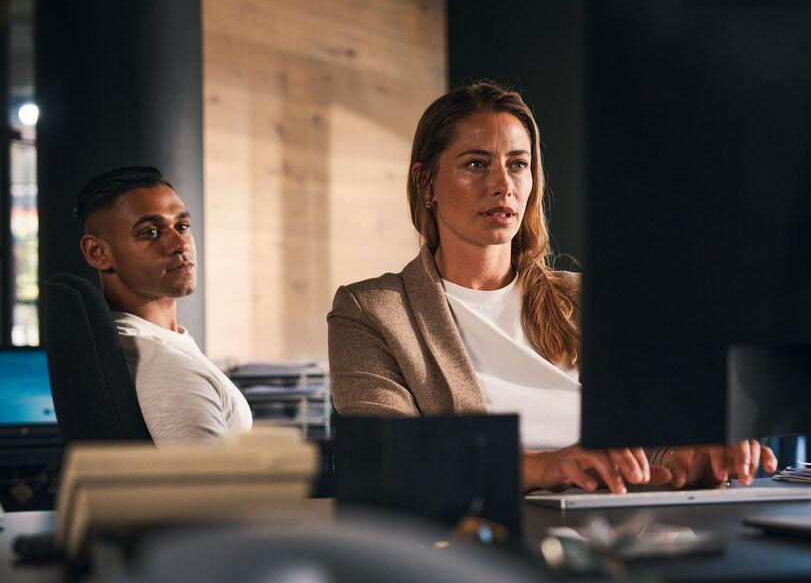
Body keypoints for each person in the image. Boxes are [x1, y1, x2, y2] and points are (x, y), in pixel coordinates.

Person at [328, 81, 777, 493]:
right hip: (482, 542)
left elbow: (651, 442)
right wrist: (547, 466)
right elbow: (388, 461)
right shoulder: (372, 311)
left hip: (617, 521)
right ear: (426, 182)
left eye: (518, 165)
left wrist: (693, 455)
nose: (502, 185)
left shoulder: (585, 301)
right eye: (475, 164)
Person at [76, 166, 252, 445]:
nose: (179, 243)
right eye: (150, 232)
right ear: (98, 253)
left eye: (182, 226)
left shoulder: (152, 345)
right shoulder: (164, 366)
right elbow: (212, 489)